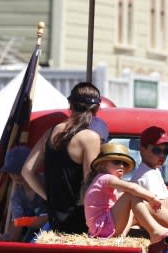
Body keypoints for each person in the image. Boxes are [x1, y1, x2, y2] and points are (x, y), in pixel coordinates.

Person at [23, 82, 106, 235]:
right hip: (80, 221)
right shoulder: (90, 138)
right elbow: (91, 185)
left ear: (70, 105)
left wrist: (49, 198)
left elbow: (27, 171)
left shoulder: (51, 132)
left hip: (55, 219)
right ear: (97, 109)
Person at [1, 147, 47, 241]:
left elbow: (57, 214)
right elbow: (17, 223)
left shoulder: (48, 183)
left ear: (31, 167)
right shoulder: (17, 197)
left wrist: (25, 222)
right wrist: (9, 238)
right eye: (11, 172)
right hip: (33, 238)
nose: (15, 176)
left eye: (18, 171)